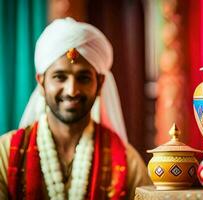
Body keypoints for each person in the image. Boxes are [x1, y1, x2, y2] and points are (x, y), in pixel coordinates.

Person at [0, 18, 151, 200]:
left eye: (84, 78)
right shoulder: (6, 153)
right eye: (59, 77)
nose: (72, 91)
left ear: (100, 83)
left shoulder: (127, 161)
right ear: (41, 82)